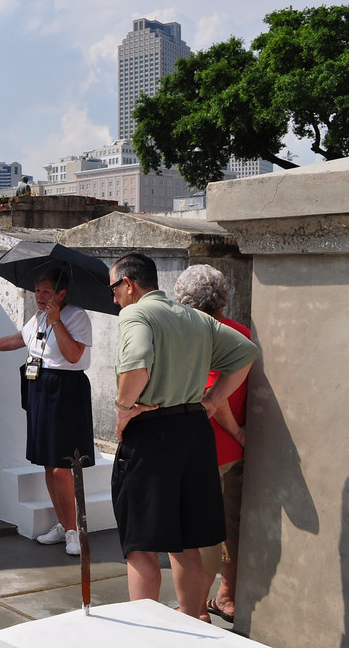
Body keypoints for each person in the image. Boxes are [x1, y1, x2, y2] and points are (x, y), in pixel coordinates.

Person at [108, 252, 258, 618]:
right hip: (194, 432)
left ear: (128, 284)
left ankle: (146, 632)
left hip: (153, 432)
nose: (113, 299)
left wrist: (124, 411)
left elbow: (138, 360)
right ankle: (192, 623)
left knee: (140, 544)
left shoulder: (137, 312)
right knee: (187, 540)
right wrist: (212, 400)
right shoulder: (194, 317)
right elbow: (245, 351)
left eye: (113, 289)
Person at [0, 267, 94, 556]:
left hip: (66, 389)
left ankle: (74, 531)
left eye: (46, 291)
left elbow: (74, 355)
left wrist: (57, 320)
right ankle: (63, 525)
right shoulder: (37, 317)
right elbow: (17, 340)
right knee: (48, 462)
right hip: (40, 387)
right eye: (37, 290)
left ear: (61, 293)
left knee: (63, 465)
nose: (40, 295)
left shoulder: (76, 316)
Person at [173, 264, 250, 624]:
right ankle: (226, 596)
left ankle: (197, 608)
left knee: (201, 534)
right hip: (232, 454)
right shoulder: (241, 331)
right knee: (230, 527)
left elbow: (211, 399)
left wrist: (235, 431)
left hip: (208, 450)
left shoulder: (203, 336)